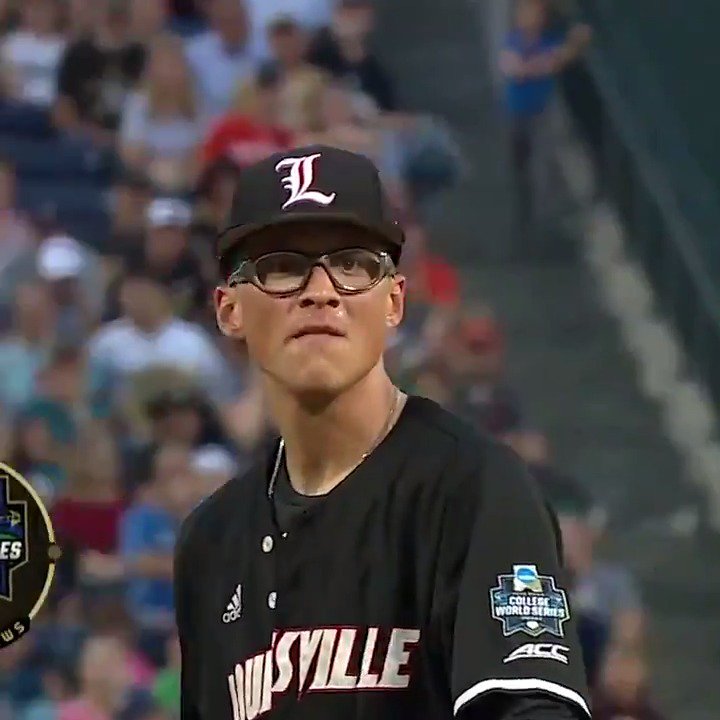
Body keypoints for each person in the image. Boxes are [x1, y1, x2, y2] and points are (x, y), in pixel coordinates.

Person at [174, 145, 591, 719]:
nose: (320, 290)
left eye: (351, 265)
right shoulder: (209, 543)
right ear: (229, 310)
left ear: (393, 300)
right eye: (282, 266)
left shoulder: (473, 488)